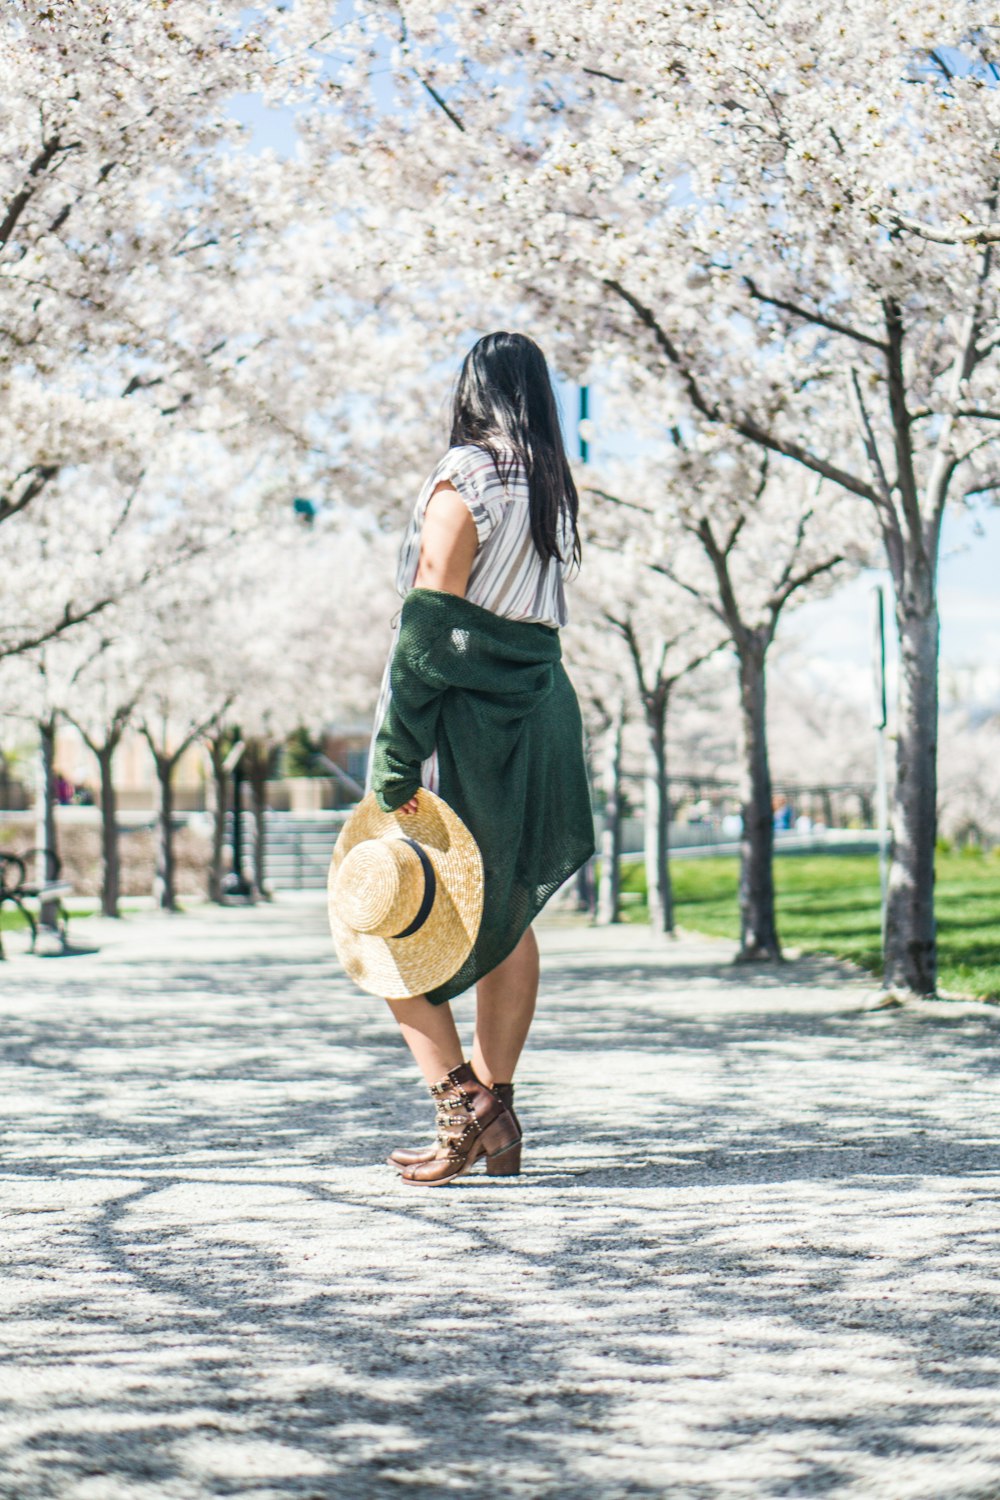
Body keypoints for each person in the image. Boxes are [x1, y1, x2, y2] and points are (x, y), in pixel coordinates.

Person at [364, 330, 595, 1186]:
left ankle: (463, 1106)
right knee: (506, 917)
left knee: (383, 922)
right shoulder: (549, 489)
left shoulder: (465, 475)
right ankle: (496, 1103)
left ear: (471, 390)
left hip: (467, 729)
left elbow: (429, 627)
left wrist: (394, 760)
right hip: (538, 714)